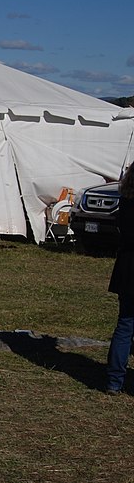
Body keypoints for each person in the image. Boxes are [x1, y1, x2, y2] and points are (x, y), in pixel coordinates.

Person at [106, 165, 134, 395]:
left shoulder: (125, 201)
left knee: (125, 325)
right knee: (126, 325)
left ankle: (115, 380)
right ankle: (115, 379)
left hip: (128, 269)